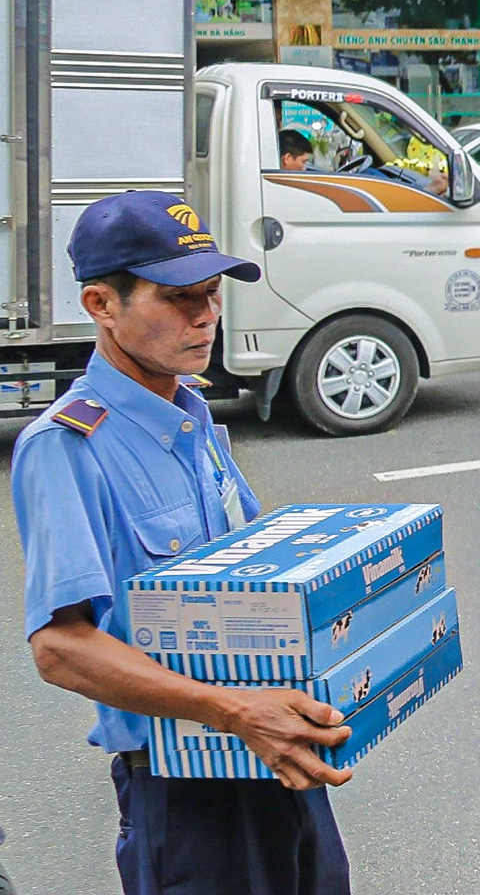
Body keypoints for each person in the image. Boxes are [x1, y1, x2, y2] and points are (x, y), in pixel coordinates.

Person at [12, 191, 354, 895]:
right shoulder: (67, 446)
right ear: (101, 305)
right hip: (188, 794)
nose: (206, 315)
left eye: (213, 293)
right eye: (178, 299)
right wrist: (232, 710)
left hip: (273, 759)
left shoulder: (191, 413)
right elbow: (60, 648)